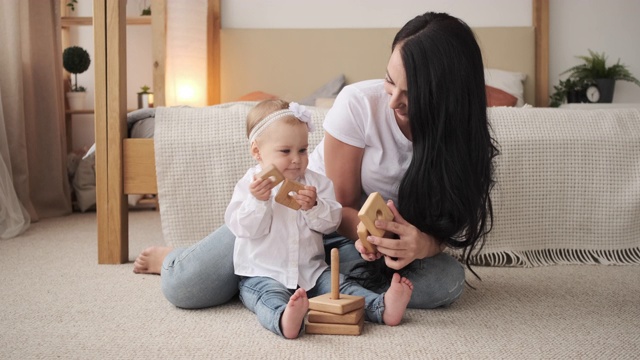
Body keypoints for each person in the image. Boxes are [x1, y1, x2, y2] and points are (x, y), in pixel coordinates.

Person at [134, 11, 496, 311]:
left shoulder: (462, 139)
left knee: (445, 281)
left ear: (446, 96)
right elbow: (339, 209)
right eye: (389, 82)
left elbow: (445, 226)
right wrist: (373, 237)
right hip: (296, 219)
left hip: (352, 246)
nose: (392, 102)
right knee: (186, 286)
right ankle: (185, 257)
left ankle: (275, 280)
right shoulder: (358, 104)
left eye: (410, 93)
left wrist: (420, 244)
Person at [225, 99, 413, 339]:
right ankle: (284, 318)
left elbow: (331, 223)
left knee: (342, 288)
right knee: (266, 298)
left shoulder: (316, 183)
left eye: (302, 150)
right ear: (256, 151)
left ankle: (381, 307)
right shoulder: (249, 186)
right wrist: (258, 202)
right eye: (285, 151)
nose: (296, 159)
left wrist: (314, 206)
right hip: (263, 273)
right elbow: (244, 229)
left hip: (311, 271)